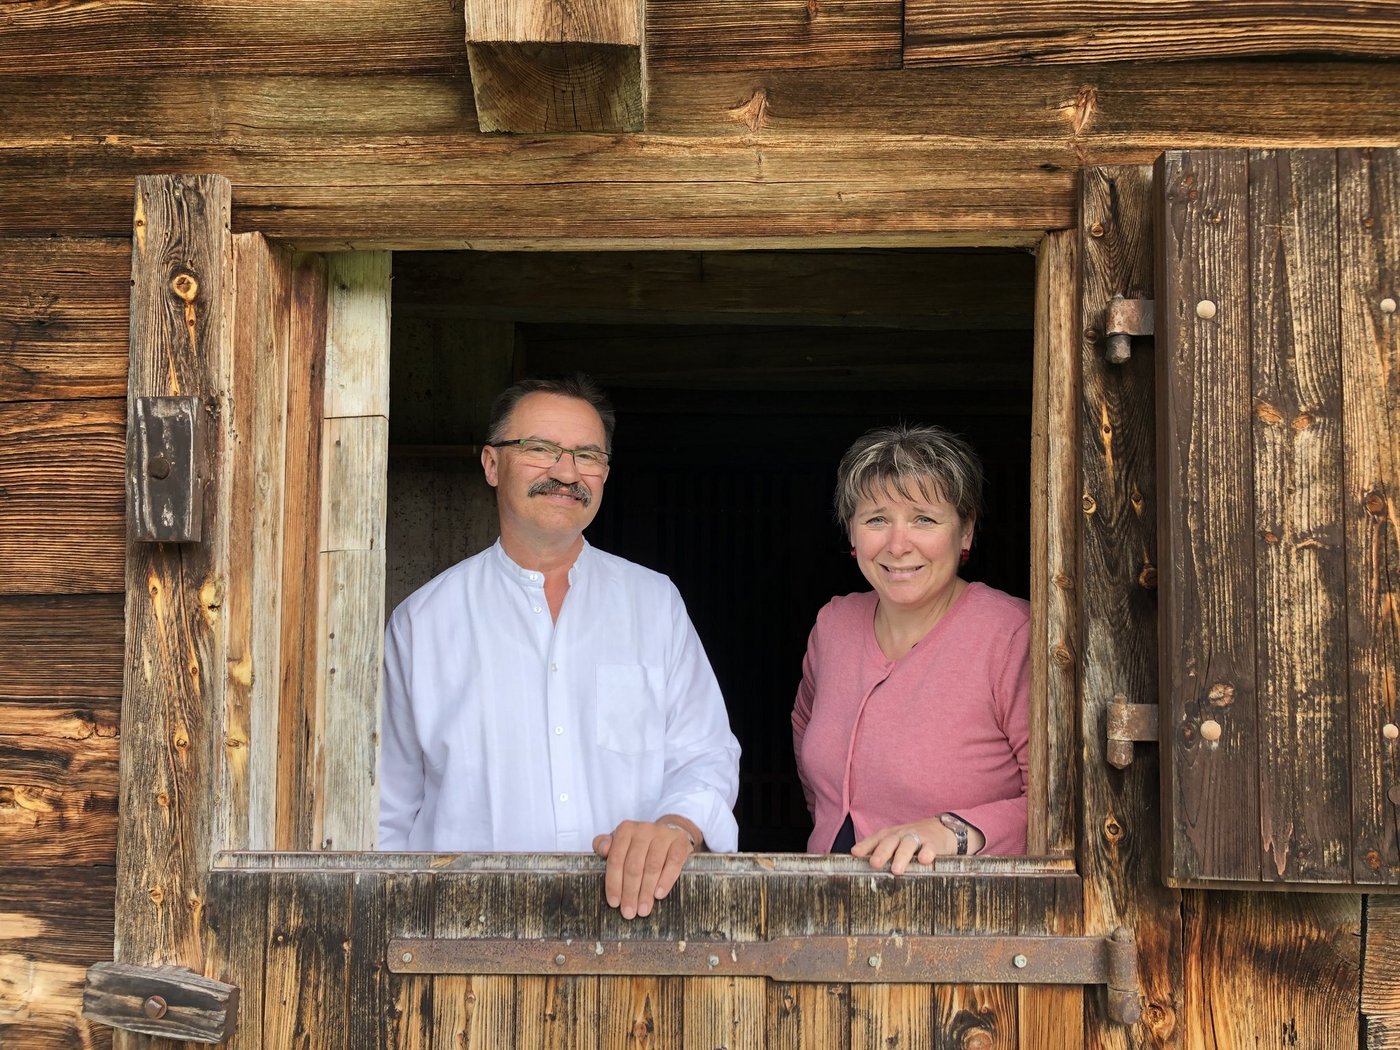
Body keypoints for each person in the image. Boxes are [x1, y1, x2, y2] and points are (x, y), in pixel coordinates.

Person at [379, 375, 741, 918]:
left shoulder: (653, 603)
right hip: (465, 930)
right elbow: (387, 809)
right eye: (540, 449)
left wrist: (675, 826)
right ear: (492, 464)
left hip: (635, 924)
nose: (567, 473)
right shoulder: (423, 622)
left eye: (587, 455)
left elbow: (705, 755)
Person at [791, 423, 1029, 873]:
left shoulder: (1012, 635)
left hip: (966, 905)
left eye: (924, 519)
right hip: (826, 898)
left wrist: (954, 832)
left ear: (965, 532)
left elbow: (1063, 803)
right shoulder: (834, 625)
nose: (898, 545)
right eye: (876, 520)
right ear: (852, 533)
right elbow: (805, 734)